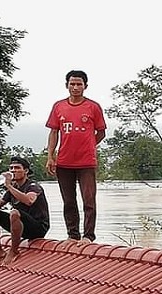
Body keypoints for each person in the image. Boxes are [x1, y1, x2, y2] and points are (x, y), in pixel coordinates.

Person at [45, 69, 107, 245]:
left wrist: (89, 145)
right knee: (69, 201)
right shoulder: (59, 106)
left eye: (79, 84)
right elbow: (54, 132)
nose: (75, 87)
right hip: (64, 161)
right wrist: (51, 156)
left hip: (86, 162)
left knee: (89, 200)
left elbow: (101, 132)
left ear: (85, 86)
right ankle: (73, 235)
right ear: (67, 86)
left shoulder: (93, 107)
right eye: (72, 84)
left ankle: (88, 236)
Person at [0, 156, 50, 265]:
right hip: (20, 224)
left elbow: (29, 201)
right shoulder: (14, 187)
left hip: (37, 227)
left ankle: (14, 251)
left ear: (26, 171)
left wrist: (9, 186)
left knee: (14, 212)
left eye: (17, 168)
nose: (13, 171)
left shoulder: (33, 186)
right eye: (11, 168)